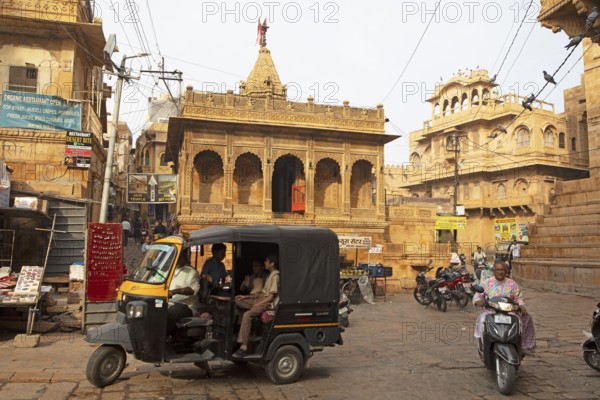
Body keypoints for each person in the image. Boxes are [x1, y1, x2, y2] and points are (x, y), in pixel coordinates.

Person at [473, 260, 536, 353]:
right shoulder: (487, 283)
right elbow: (478, 295)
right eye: (497, 270)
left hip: (509, 311)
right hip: (490, 311)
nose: (500, 272)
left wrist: (521, 305)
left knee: (526, 318)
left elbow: (518, 297)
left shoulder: (512, 283)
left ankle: (523, 345)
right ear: (493, 271)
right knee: (482, 321)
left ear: (506, 271)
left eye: (502, 270)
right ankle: (484, 346)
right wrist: (479, 301)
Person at [233, 254, 279, 358]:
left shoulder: (275, 276)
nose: (265, 263)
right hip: (259, 298)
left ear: (271, 263)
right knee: (236, 300)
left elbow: (271, 297)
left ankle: (244, 346)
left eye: (267, 261)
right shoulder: (270, 275)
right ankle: (239, 331)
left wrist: (257, 304)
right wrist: (245, 298)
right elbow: (261, 292)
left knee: (247, 315)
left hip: (266, 303)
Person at [167, 251, 200, 336]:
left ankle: (163, 338)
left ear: (184, 256)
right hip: (169, 302)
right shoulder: (169, 270)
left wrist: (175, 291)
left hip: (186, 306)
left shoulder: (192, 272)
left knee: (171, 312)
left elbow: (193, 290)